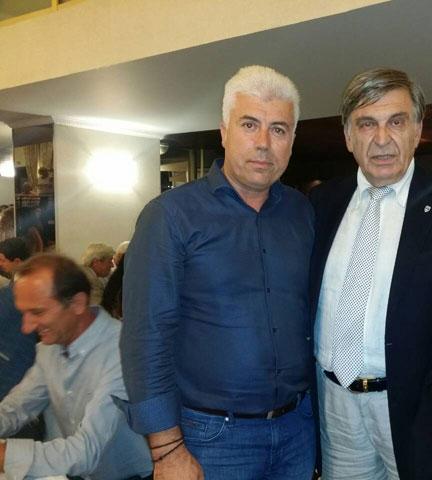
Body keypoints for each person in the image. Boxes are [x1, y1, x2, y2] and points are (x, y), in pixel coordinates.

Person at [309, 68, 432, 480]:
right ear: (348, 137)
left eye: (396, 122)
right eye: (367, 124)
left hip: (425, 417)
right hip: (336, 410)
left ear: (417, 131)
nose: (382, 139)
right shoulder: (321, 204)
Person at [119, 65, 315, 479]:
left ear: (293, 141)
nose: (263, 143)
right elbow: (146, 336)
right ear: (224, 132)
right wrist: (166, 450)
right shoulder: (170, 217)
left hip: (297, 429)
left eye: (278, 130)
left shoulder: (302, 213)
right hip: (210, 438)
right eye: (249, 124)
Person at [0, 253, 152, 480]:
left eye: (37, 312)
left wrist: (5, 455)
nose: (26, 327)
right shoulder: (49, 348)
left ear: (78, 303)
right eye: (24, 313)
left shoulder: (122, 351)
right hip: (72, 471)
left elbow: (87, 449)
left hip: (124, 475)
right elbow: (19, 406)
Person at [0, 237, 37, 400]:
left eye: (2, 260)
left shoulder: (13, 293)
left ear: (16, 261)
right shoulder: (9, 289)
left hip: (16, 363)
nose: (0, 264)